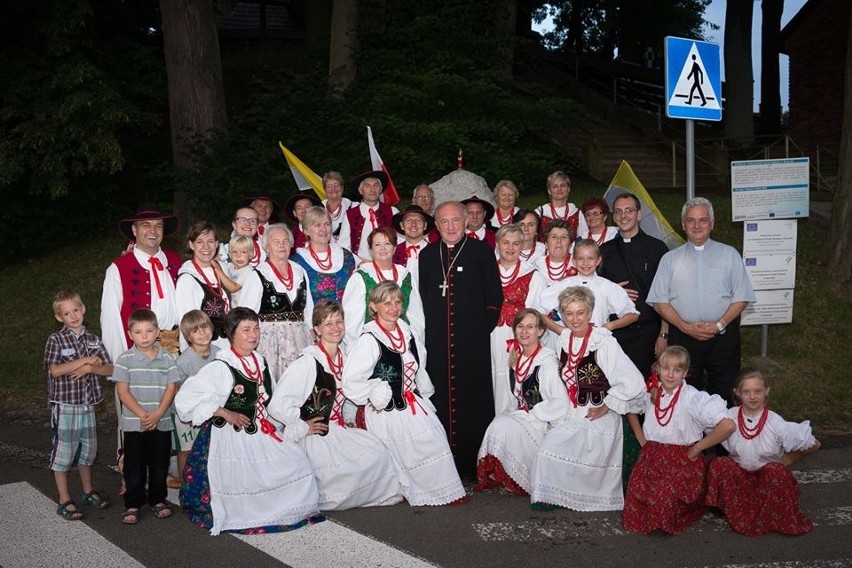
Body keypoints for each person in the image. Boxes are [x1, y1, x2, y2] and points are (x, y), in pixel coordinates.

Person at [174, 308, 322, 535]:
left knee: (297, 464)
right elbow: (185, 400)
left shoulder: (260, 360)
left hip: (261, 430)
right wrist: (224, 412)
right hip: (231, 436)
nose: (253, 334)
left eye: (256, 329)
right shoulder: (221, 366)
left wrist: (292, 423)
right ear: (232, 333)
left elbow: (270, 400)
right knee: (247, 483)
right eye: (246, 330)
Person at [267, 300, 404, 510]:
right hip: (315, 436)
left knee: (378, 453)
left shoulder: (347, 357)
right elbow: (277, 405)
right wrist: (303, 425)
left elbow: (349, 397)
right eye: (328, 323)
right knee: (339, 478)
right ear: (316, 330)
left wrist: (350, 418)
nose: (335, 328)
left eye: (339, 322)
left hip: (339, 429)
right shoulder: (308, 362)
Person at [341, 282, 466, 506]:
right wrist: (375, 390)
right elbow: (351, 380)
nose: (393, 307)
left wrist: (421, 393)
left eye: (398, 302)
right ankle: (424, 491)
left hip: (411, 401)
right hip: (385, 409)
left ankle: (439, 490)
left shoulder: (408, 333)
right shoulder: (369, 339)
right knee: (419, 442)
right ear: (373, 307)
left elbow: (419, 367)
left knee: (434, 436)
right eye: (386, 303)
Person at [529, 286, 644, 511]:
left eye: (580, 312)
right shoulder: (563, 340)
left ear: (590, 312)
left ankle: (574, 495)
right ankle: (562, 494)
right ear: (562, 314)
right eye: (569, 313)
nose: (575, 319)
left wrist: (606, 405)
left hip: (598, 414)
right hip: (571, 411)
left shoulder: (603, 341)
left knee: (550, 448)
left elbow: (634, 381)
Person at [419, 201, 503, 478]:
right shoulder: (428, 256)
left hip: (472, 343)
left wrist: (477, 331)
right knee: (438, 397)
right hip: (437, 343)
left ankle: (471, 464)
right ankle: (441, 464)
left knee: (474, 400)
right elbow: (421, 298)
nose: (451, 226)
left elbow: (494, 299)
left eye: (456, 220)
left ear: (466, 221)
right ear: (437, 224)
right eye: (444, 221)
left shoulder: (481, 252)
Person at [647, 197, 756, 406]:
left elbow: (741, 296)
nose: (697, 226)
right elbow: (660, 302)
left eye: (703, 220)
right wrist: (685, 327)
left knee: (725, 393)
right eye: (691, 220)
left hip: (723, 337)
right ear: (683, 224)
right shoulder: (670, 260)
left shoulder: (729, 254)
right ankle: (690, 439)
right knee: (684, 395)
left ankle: (721, 438)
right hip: (683, 337)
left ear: (712, 224)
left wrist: (719, 325)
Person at [622, 346, 735, 534]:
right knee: (635, 502)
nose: (671, 374)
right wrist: (642, 439)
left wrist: (698, 448)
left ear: (685, 372)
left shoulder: (693, 398)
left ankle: (689, 504)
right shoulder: (650, 391)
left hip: (682, 460)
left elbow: (728, 426)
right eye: (666, 368)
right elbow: (631, 410)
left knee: (663, 498)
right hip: (652, 457)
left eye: (677, 370)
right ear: (657, 369)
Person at [705, 368, 820, 536]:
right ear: (737, 393)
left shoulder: (775, 422)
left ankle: (767, 511)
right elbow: (708, 429)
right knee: (720, 464)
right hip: (740, 477)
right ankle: (732, 505)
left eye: (758, 391)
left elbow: (815, 444)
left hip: (765, 479)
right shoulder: (729, 417)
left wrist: (787, 459)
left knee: (776, 472)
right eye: (747, 392)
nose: (752, 397)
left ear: (767, 391)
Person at [475, 309, 562, 496]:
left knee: (501, 425)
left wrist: (533, 415)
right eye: (520, 326)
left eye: (530, 327)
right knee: (500, 423)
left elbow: (560, 403)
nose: (524, 331)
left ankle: (524, 474)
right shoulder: (517, 357)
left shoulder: (547, 361)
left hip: (543, 424)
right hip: (527, 417)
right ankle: (511, 475)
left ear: (540, 331)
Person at [44, 290, 114, 520]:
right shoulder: (56, 339)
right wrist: (83, 360)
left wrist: (91, 368)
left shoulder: (93, 339)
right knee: (64, 453)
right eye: (66, 313)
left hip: (88, 406)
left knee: (87, 451)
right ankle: (64, 499)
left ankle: (87, 490)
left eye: (76, 310)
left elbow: (110, 368)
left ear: (83, 309)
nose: (73, 316)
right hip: (66, 406)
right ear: (59, 317)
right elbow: (55, 370)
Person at [110, 308, 181, 525]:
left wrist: (159, 413)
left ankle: (158, 500)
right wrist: (143, 415)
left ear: (157, 332)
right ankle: (133, 502)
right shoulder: (125, 360)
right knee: (135, 465)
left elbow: (172, 387)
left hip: (162, 421)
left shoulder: (167, 358)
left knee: (159, 464)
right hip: (135, 423)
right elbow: (123, 392)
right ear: (130, 333)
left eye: (149, 331)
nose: (144, 337)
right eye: (138, 332)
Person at [598, 192, 670, 379]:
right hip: (615, 334)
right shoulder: (604, 251)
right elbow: (594, 291)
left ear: (639, 214)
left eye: (629, 210)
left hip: (647, 332)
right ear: (614, 216)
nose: (624, 216)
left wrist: (664, 334)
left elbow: (667, 295)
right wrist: (614, 292)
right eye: (619, 211)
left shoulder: (657, 249)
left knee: (646, 387)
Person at [237, 224, 313, 381]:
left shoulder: (300, 271)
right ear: (267, 247)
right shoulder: (258, 275)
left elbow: (308, 309)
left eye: (285, 241)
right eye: (276, 241)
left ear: (291, 245)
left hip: (300, 340)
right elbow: (244, 315)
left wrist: (312, 333)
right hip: (269, 343)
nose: (281, 245)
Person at [491, 224, 545, 416]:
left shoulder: (532, 274)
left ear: (522, 245)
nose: (510, 247)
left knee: (514, 373)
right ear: (497, 244)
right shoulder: (487, 270)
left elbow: (534, 311)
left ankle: (518, 416)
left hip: (518, 335)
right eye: (505, 242)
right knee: (493, 373)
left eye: (516, 243)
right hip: (490, 333)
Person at [342, 226, 425, 349]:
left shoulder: (405, 276)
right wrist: (357, 348)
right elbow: (351, 321)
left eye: (387, 243)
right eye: (377, 245)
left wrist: (417, 344)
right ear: (371, 249)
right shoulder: (361, 277)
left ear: (395, 248)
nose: (383, 249)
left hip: (403, 341)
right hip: (372, 344)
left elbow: (415, 315)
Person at [539, 239, 639, 335]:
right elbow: (539, 310)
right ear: (574, 261)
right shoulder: (565, 285)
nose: (585, 263)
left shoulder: (607, 286)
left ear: (598, 260)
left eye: (590, 258)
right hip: (570, 342)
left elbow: (633, 315)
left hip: (599, 340)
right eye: (580, 258)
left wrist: (609, 326)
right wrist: (561, 330)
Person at [174, 310, 220, 486]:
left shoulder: (219, 353)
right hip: (186, 414)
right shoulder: (183, 361)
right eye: (195, 330)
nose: (202, 333)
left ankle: (208, 483)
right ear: (188, 336)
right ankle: (185, 484)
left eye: (205, 327)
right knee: (186, 449)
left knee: (209, 448)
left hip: (211, 411)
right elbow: (177, 390)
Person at [175, 221, 232, 353]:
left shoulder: (221, 268)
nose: (206, 246)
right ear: (191, 245)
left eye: (210, 241)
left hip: (228, 342)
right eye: (200, 241)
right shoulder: (187, 279)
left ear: (217, 244)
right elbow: (187, 322)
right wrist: (190, 355)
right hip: (206, 347)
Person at [293, 206, 357, 304]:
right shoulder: (298, 262)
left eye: (327, 224)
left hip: (348, 317)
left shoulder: (345, 256)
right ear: (306, 231)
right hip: (315, 318)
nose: (323, 229)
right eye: (317, 225)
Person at [338, 171, 399, 260]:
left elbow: (400, 241)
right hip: (360, 265)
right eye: (367, 186)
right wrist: (359, 262)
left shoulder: (393, 211)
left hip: (387, 263)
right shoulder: (350, 215)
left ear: (380, 190)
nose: (372, 190)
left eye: (376, 185)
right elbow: (344, 245)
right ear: (360, 190)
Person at [534, 171, 587, 242]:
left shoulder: (576, 213)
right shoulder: (540, 213)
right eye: (555, 186)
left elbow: (584, 239)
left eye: (563, 185)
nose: (559, 189)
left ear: (568, 189)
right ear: (549, 191)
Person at [391, 204, 434, 274]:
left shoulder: (434, 252)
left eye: (418, 220)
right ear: (402, 225)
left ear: (425, 225)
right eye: (409, 220)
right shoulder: (393, 252)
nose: (413, 224)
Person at [532, 219, 577, 286]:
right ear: (546, 244)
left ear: (570, 245)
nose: (559, 240)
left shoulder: (578, 264)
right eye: (554, 237)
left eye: (564, 237)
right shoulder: (537, 265)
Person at [321, 172, 353, 241]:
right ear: (325, 190)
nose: (333, 188)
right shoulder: (319, 207)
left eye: (336, 185)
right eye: (329, 186)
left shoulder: (352, 206)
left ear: (342, 188)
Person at [223, 234, 254, 306]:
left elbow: (234, 288)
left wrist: (218, 270)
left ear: (250, 254)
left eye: (243, 252)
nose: (238, 256)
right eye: (234, 252)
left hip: (244, 309)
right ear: (230, 254)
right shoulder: (230, 266)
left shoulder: (249, 271)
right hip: (233, 308)